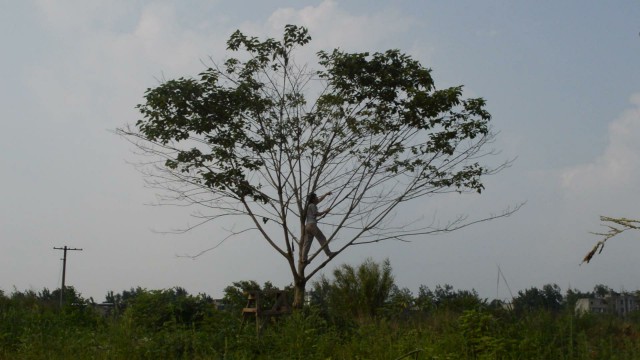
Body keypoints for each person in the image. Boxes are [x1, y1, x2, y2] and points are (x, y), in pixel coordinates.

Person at [302, 191, 336, 263]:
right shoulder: (312, 206)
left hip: (307, 226)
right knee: (322, 238)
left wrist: (326, 194)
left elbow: (320, 199)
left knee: (307, 243)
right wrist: (325, 211)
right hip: (312, 225)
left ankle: (304, 259)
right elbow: (316, 214)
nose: (317, 198)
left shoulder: (309, 206)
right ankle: (329, 253)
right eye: (316, 197)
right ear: (313, 199)